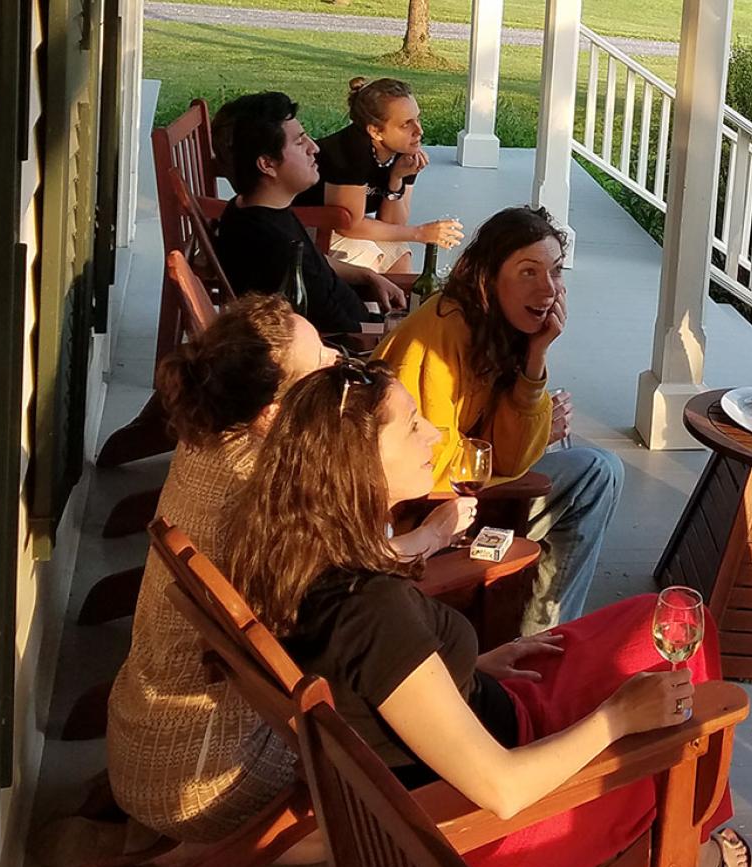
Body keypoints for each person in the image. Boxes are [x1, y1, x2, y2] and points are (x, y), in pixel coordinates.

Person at [221, 360, 752, 867]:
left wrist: (461, 668)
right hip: (491, 814)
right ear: (358, 464)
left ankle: (694, 828)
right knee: (687, 696)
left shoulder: (302, 557)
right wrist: (617, 719)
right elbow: (504, 789)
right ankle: (690, 849)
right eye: (412, 425)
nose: (433, 434)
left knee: (663, 618)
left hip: (471, 719)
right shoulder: (370, 611)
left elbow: (370, 683)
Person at [91, 294, 460, 867]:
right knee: (377, 695)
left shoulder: (211, 430)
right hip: (204, 779)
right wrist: (432, 536)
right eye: (321, 363)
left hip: (144, 737)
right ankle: (200, 856)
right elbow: (351, 573)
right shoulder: (268, 492)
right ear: (270, 413)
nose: (339, 363)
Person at [374, 206, 623, 632]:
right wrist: (538, 435)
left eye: (555, 271)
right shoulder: (439, 336)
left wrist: (536, 358)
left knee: (596, 468)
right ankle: (547, 638)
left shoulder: (495, 328)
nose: (547, 289)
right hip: (423, 516)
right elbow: (431, 468)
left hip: (465, 495)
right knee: (595, 474)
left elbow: (511, 457)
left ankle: (544, 634)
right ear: (488, 278)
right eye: (528, 272)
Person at [211, 91, 404, 335]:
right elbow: (335, 331)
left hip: (360, 324)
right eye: (300, 142)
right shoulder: (271, 246)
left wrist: (367, 275)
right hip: (351, 345)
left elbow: (310, 261)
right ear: (267, 164)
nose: (314, 148)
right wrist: (400, 333)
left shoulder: (257, 209)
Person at [294, 77, 463, 273]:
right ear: (375, 131)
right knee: (366, 254)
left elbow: (394, 223)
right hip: (305, 224)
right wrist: (420, 233)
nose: (419, 131)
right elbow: (349, 225)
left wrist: (396, 179)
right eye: (406, 124)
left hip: (343, 225)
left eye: (417, 119)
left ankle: (398, 295)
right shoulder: (352, 152)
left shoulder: (403, 151)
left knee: (398, 251)